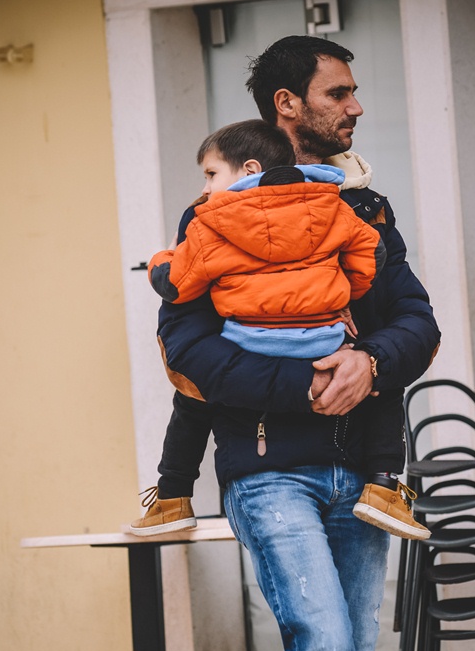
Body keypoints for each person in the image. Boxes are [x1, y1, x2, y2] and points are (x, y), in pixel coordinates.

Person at [153, 36, 440, 651]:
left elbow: (415, 320)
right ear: (288, 104)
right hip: (270, 471)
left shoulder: (364, 208)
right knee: (324, 645)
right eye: (337, 92)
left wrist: (371, 365)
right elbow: (186, 347)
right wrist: (311, 384)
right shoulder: (215, 213)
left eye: (353, 93)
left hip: (362, 477)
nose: (355, 107)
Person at [130, 118, 429, 543]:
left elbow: (178, 283)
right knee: (377, 374)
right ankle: (384, 485)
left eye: (211, 174)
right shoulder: (332, 205)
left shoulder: (209, 223)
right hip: (326, 339)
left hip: (251, 341)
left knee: (194, 393)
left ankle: (173, 496)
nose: (205, 188)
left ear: (250, 169)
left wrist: (159, 262)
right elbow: (370, 254)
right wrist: (345, 294)